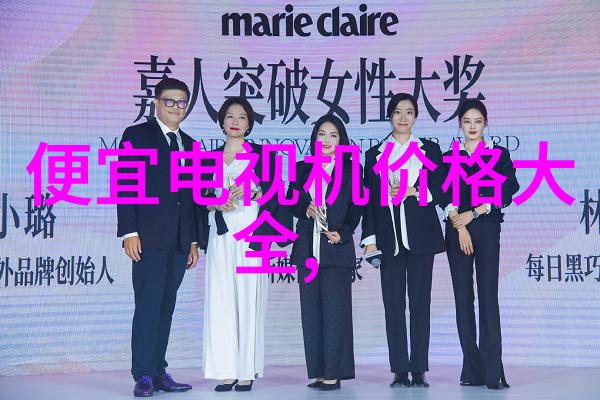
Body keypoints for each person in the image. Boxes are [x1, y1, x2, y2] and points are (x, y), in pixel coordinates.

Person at [117, 77, 198, 397]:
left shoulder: (190, 144)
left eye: (182, 102)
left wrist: (192, 241)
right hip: (147, 238)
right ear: (156, 103)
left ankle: (159, 370)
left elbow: (191, 198)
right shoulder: (136, 136)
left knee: (166, 307)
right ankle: (143, 374)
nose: (176, 107)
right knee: (148, 306)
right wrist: (129, 231)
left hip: (179, 241)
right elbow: (126, 185)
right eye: (170, 101)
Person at [200, 97, 286, 392]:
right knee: (221, 300)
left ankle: (246, 370)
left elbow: (277, 195)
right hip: (221, 235)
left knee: (249, 301)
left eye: (242, 117)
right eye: (229, 116)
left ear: (249, 124)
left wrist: (254, 192)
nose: (235, 122)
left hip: (252, 234)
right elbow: (198, 198)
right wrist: (215, 202)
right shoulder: (208, 158)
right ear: (221, 121)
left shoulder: (264, 156)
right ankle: (226, 370)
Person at [361, 93, 445, 388]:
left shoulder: (429, 150)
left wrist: (414, 191)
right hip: (388, 239)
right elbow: (369, 202)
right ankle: (399, 369)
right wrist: (370, 240)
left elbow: (441, 188)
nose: (403, 117)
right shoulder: (374, 154)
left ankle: (419, 368)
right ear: (390, 116)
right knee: (393, 306)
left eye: (409, 112)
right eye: (398, 112)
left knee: (421, 304)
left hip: (421, 238)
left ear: (416, 116)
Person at [441, 99, 519, 390]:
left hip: (486, 227)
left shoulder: (498, 154)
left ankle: (493, 370)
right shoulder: (449, 156)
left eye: (477, 121)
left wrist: (475, 212)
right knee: (463, 298)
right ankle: (471, 369)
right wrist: (459, 224)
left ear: (486, 123)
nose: (472, 126)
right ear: (459, 124)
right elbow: (442, 193)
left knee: (488, 296)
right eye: (467, 121)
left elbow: (509, 188)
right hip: (457, 230)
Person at [287, 114, 362, 391]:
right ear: (314, 138)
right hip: (307, 249)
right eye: (322, 134)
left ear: (341, 140)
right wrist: (304, 208)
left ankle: (334, 372)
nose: (327, 140)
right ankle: (318, 372)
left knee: (335, 312)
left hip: (335, 249)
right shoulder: (302, 168)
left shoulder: (352, 169)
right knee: (311, 315)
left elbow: (356, 208)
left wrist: (344, 232)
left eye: (333, 135)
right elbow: (290, 200)